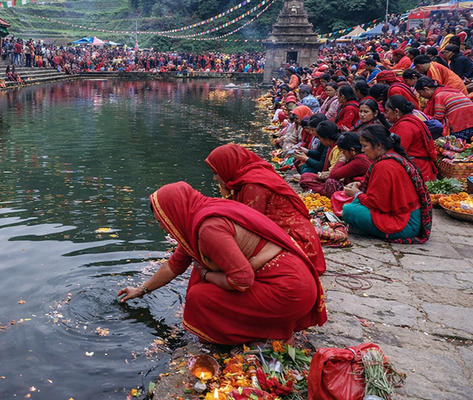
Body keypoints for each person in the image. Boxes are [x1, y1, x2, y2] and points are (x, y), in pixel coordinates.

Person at [117, 182, 326, 345]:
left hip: (290, 293)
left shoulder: (209, 229)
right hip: (294, 283)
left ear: (174, 213)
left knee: (199, 296)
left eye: (163, 221)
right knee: (202, 268)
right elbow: (174, 265)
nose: (163, 228)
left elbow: (242, 281)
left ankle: (260, 335)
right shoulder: (197, 218)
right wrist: (141, 290)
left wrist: (207, 276)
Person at [205, 144, 325, 274]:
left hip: (299, 243)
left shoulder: (253, 184)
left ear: (227, 167)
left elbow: (249, 225)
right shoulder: (248, 175)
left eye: (216, 173)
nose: (215, 178)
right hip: (297, 234)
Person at [342, 125, 431, 243]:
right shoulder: (390, 158)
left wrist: (357, 194)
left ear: (379, 145)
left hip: (406, 223)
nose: (362, 150)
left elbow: (377, 204)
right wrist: (360, 185)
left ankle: (368, 228)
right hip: (408, 217)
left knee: (349, 211)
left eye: (365, 146)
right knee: (354, 203)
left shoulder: (384, 166)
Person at [385, 95, 438, 181]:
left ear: (396, 111)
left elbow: (398, 151)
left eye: (387, 111)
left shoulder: (405, 126)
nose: (385, 115)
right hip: (419, 167)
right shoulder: (409, 120)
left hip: (418, 169)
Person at [415, 76, 473, 141]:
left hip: (460, 125)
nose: (420, 96)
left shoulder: (439, 96)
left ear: (426, 89)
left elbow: (438, 118)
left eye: (420, 93)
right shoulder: (450, 90)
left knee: (456, 145)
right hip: (470, 121)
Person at [299, 121, 342, 196]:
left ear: (327, 139)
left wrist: (306, 158)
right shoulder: (329, 146)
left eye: (320, 138)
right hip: (326, 174)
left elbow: (334, 172)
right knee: (304, 176)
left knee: (306, 178)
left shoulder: (337, 149)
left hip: (335, 180)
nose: (319, 140)